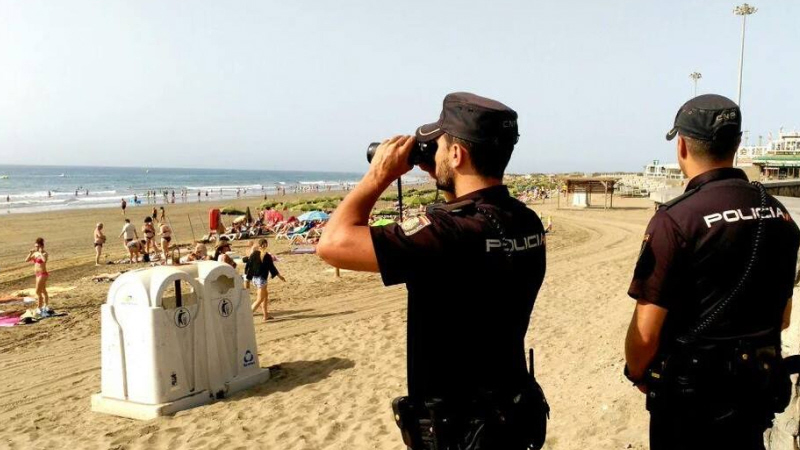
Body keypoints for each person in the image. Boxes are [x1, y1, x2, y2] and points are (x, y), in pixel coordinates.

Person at [318, 92, 549, 449]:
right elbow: (472, 223)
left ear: (456, 155)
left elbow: (332, 243)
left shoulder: (446, 234)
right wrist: (444, 176)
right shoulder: (526, 221)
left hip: (461, 432)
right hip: (513, 419)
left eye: (437, 147)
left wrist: (378, 175)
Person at [624, 94, 800, 450]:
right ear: (737, 144)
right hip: (754, 392)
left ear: (682, 146)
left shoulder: (675, 219)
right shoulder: (780, 215)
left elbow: (646, 333)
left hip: (691, 403)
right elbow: (782, 318)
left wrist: (637, 372)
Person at [244, 239, 286, 322]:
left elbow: (248, 265)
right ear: (265, 245)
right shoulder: (266, 255)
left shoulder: (254, 254)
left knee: (265, 296)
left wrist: (248, 278)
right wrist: (280, 276)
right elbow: (272, 267)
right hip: (261, 279)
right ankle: (246, 316)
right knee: (259, 299)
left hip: (254, 279)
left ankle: (265, 315)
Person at [25, 238, 51, 313]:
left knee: (37, 291)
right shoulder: (35, 254)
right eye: (35, 246)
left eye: (37, 246)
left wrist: (40, 253)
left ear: (41, 246)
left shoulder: (44, 254)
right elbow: (26, 260)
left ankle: (39, 307)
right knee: (43, 290)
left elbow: (44, 260)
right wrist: (30, 253)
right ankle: (46, 305)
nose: (36, 247)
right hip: (37, 274)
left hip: (43, 274)